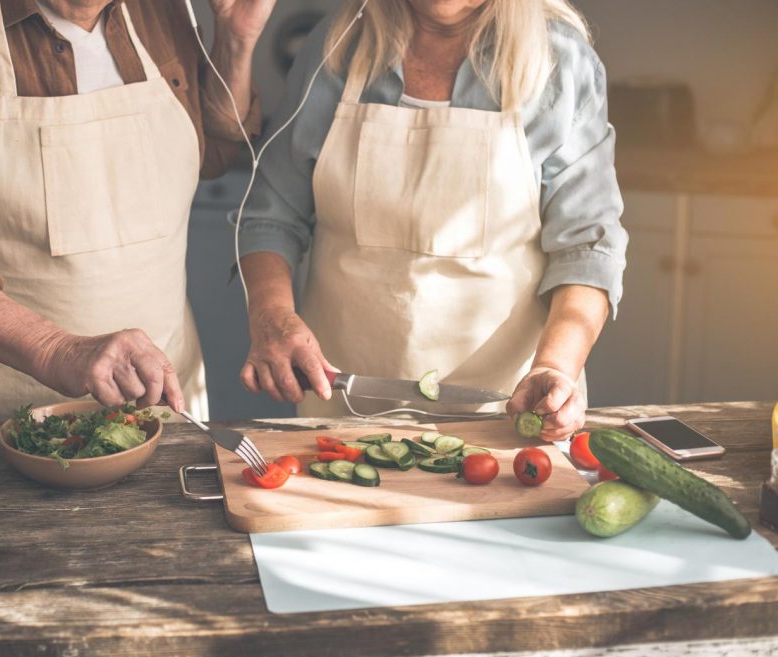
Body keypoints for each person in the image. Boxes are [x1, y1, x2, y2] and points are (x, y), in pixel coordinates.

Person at [0, 0, 274, 430]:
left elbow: (214, 152)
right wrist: (57, 350)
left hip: (164, 411)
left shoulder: (162, 9)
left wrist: (235, 43)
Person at [235, 0, 627, 441]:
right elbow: (271, 214)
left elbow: (587, 246)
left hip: (506, 410)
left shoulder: (558, 58)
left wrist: (556, 366)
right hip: (340, 403)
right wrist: (271, 315)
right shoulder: (337, 47)